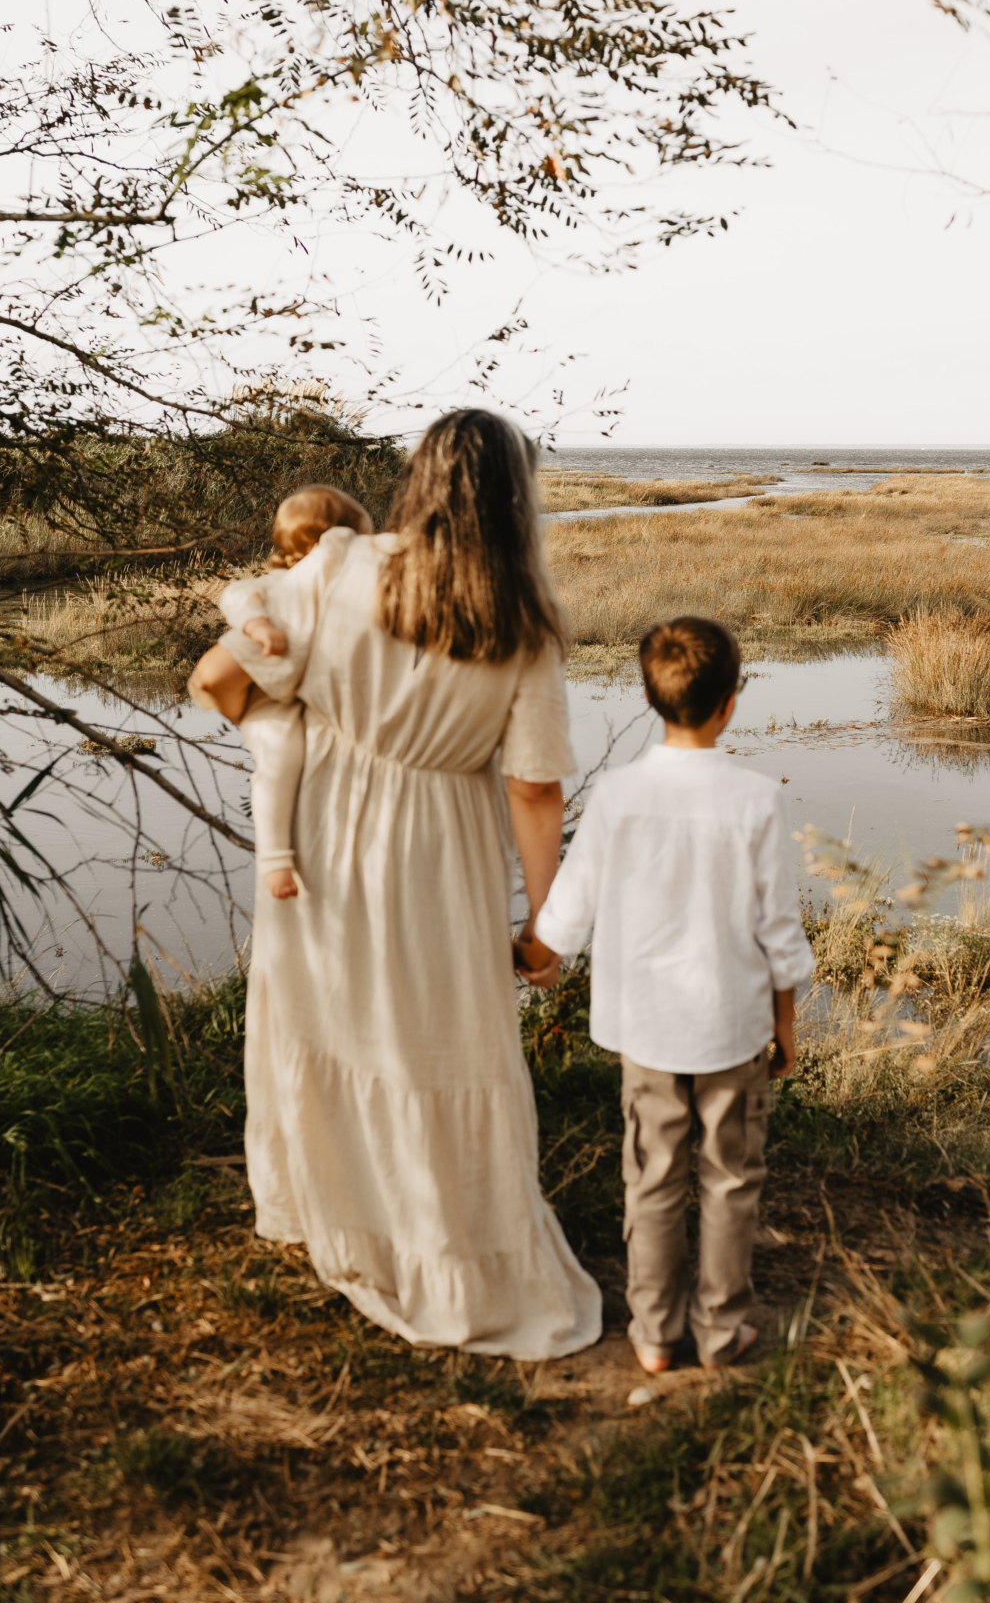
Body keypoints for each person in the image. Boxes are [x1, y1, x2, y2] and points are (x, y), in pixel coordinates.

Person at [188, 411, 602, 1360]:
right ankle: (452, 1251)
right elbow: (535, 787)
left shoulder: (334, 568)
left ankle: (331, 1217)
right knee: (441, 1039)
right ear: (514, 499)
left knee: (328, 1020)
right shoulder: (524, 619)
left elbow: (219, 674)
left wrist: (277, 735)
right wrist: (548, 922)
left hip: (325, 827)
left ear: (417, 480)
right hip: (443, 845)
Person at [534, 616, 813, 1374]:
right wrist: (786, 1021)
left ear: (651, 696)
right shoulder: (756, 799)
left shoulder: (619, 794)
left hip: (646, 1029)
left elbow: (568, 907)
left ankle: (654, 1333)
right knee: (729, 1178)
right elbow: (777, 928)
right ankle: (720, 1329)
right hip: (732, 1025)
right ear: (730, 703)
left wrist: (534, 951)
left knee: (651, 1178)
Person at [217, 486, 373, 902]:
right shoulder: (279, 584)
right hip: (275, 705)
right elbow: (234, 596)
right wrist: (258, 626)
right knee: (279, 761)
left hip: (307, 704)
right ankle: (274, 859)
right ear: (324, 542)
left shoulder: (345, 592)